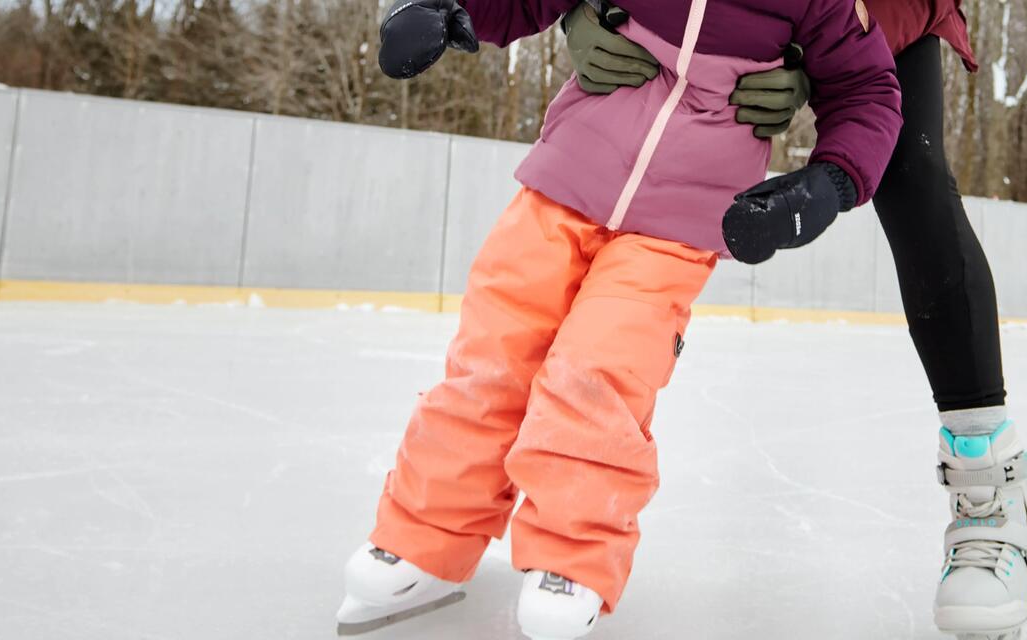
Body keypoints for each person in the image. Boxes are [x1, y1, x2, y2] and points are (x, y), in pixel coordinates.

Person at [335, 1, 901, 639]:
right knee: (492, 357)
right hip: (565, 178)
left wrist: (831, 183)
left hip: (682, 220)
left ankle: (571, 559)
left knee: (599, 373)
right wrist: (443, 9)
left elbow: (868, 88)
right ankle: (425, 539)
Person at [562, 2, 1027, 638]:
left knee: (911, 173)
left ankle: (989, 494)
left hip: (869, 19)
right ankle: (515, 477)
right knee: (612, 133)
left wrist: (828, 55)